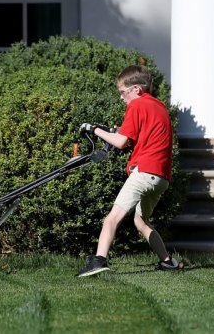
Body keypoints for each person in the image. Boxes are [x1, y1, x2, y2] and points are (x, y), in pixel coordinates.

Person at [77, 65, 180, 277]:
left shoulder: (137, 104)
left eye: (123, 92)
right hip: (161, 177)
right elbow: (139, 137)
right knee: (140, 221)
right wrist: (114, 132)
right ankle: (168, 262)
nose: (121, 97)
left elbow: (121, 142)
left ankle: (98, 261)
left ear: (136, 89)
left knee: (112, 218)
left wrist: (94, 130)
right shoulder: (158, 105)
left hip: (144, 172)